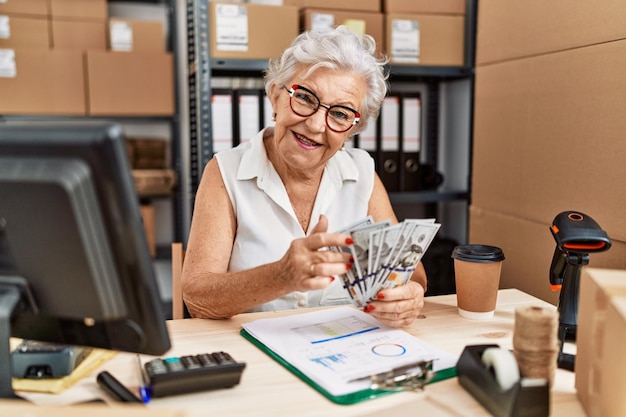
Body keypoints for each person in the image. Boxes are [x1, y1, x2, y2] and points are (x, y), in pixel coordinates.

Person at [181, 26, 428, 328]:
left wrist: (410, 295)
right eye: (306, 98)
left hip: (342, 352)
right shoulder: (225, 172)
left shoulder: (362, 171)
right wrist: (280, 276)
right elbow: (197, 299)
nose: (315, 125)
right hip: (255, 355)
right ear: (275, 97)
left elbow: (412, 273)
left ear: (352, 129)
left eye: (339, 114)